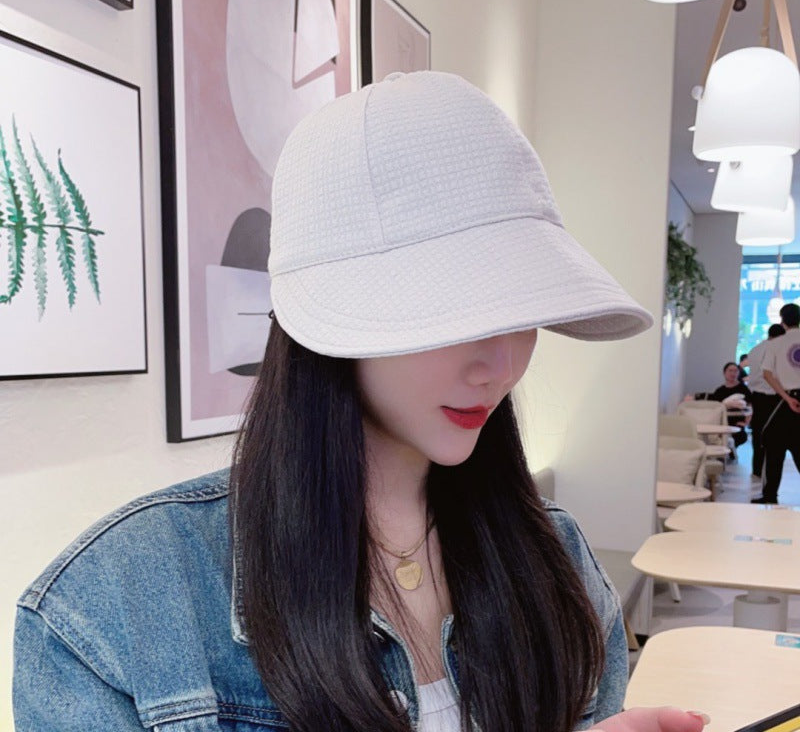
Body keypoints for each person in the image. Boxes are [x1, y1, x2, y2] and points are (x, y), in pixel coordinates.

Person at [13, 72, 709, 732]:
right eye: (459, 308)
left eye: (523, 310)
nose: (501, 367)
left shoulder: (556, 558)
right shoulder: (105, 615)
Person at [752, 303, 800, 504]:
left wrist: (786, 398)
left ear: (782, 321)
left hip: (786, 399)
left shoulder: (775, 344)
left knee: (773, 445)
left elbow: (767, 374)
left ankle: (770, 495)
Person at [747, 324, 786, 479]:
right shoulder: (777, 351)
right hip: (774, 396)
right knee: (775, 435)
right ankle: (770, 470)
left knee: (758, 433)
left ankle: (757, 469)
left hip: (756, 396)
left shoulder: (755, 350)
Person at [709, 362, 753, 447]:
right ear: (724, 373)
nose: (733, 373)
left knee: (737, 439)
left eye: (736, 371)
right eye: (730, 371)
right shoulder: (719, 391)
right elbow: (715, 409)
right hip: (721, 424)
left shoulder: (744, 389)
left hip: (737, 425)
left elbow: (750, 407)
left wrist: (746, 422)